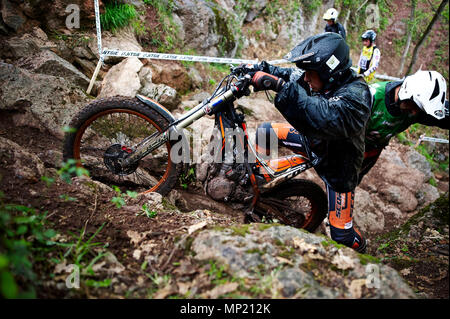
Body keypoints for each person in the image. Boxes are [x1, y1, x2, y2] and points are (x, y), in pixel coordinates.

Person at [242, 32, 372, 253]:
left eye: (311, 73)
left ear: (330, 73)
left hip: (337, 167)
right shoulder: (314, 79)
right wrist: (257, 68)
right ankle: (264, 187)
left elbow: (324, 116)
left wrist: (281, 87)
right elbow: (288, 75)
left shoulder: (357, 95)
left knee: (342, 236)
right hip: (312, 143)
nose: (307, 78)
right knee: (265, 132)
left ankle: (365, 253)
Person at [359, 70, 449, 183]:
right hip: (347, 147)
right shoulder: (370, 97)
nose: (415, 112)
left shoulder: (418, 105)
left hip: (372, 152)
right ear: (406, 93)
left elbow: (444, 117)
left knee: (352, 182)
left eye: (420, 109)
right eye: (415, 106)